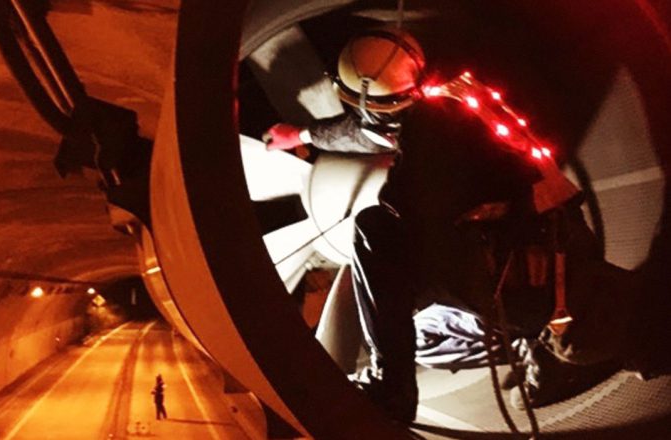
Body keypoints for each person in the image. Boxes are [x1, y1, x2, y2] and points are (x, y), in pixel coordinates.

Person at [264, 28, 630, 422]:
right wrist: (301, 134)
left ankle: (392, 387)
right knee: (429, 337)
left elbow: (400, 210)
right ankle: (538, 343)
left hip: (523, 286)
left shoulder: (431, 139)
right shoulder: (458, 95)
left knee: (375, 230)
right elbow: (373, 131)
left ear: (374, 102)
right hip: (565, 250)